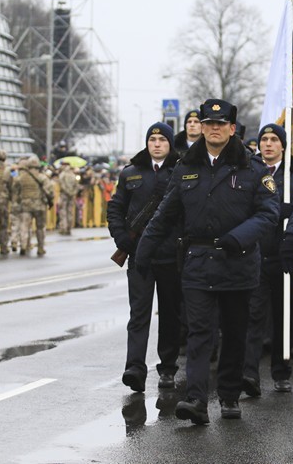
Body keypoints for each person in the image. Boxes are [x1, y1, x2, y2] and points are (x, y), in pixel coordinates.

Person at [136, 99, 279, 424]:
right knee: (200, 333)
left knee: (234, 332)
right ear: (200, 127)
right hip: (198, 262)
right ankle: (197, 400)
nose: (214, 129)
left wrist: (239, 237)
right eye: (208, 123)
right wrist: (144, 251)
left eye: (221, 124)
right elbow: (165, 214)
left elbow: (269, 214)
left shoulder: (253, 169)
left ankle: (228, 396)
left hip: (238, 263)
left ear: (232, 129)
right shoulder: (186, 167)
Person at [108, 122, 182, 392]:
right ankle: (135, 368)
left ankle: (168, 367)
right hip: (140, 256)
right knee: (138, 314)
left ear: (170, 144)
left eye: (163, 139)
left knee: (171, 314)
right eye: (153, 139)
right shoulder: (131, 173)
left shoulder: (181, 172)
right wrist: (121, 238)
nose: (157, 143)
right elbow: (115, 208)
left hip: (169, 256)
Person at [242, 123, 293, 396]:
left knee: (283, 315)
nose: (268, 144)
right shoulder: (251, 172)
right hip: (256, 253)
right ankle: (249, 373)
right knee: (253, 315)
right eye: (264, 139)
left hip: (284, 253)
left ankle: (281, 371)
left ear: (283, 145)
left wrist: (292, 237)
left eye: (273, 139)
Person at [13, 155, 54, 256]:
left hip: (25, 205)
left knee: (24, 226)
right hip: (40, 206)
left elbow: (15, 191)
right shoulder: (42, 178)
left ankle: (23, 246)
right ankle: (40, 248)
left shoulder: (21, 178)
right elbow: (51, 192)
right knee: (40, 228)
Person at [57, 161, 78, 235]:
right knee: (70, 212)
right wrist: (73, 193)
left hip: (64, 195)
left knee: (63, 212)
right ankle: (69, 227)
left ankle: (63, 228)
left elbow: (61, 185)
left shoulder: (62, 174)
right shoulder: (72, 174)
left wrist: (67, 192)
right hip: (71, 195)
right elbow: (76, 186)